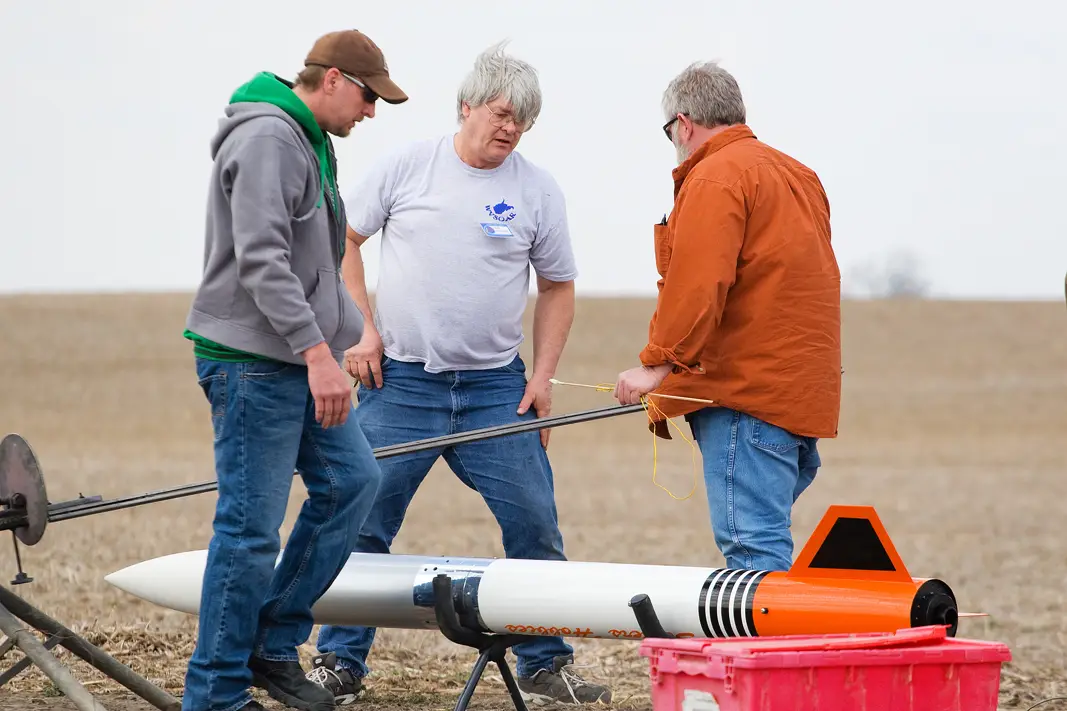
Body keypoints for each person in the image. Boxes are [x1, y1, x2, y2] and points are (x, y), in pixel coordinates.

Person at [303, 43, 612, 706]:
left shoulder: (537, 189)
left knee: (533, 520)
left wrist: (545, 376)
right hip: (399, 384)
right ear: (466, 106)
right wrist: (361, 330)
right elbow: (343, 241)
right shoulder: (407, 167)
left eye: (522, 122)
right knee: (360, 519)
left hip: (495, 388)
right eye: (501, 114)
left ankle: (544, 660)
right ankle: (338, 662)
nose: (510, 129)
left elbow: (557, 284)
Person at [179, 30, 408, 711]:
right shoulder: (269, 139)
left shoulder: (310, 139)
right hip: (255, 364)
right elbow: (261, 261)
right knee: (249, 529)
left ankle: (272, 645)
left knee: (353, 482)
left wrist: (331, 341)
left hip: (298, 359)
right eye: (369, 97)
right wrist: (319, 355)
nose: (371, 112)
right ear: (332, 79)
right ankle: (215, 693)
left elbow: (314, 259)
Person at [613, 61, 841, 574]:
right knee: (764, 538)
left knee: (753, 553)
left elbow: (697, 284)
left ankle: (772, 653)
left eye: (669, 131)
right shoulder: (798, 175)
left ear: (684, 123)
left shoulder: (715, 177)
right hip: (798, 398)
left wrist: (658, 364)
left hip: (743, 398)